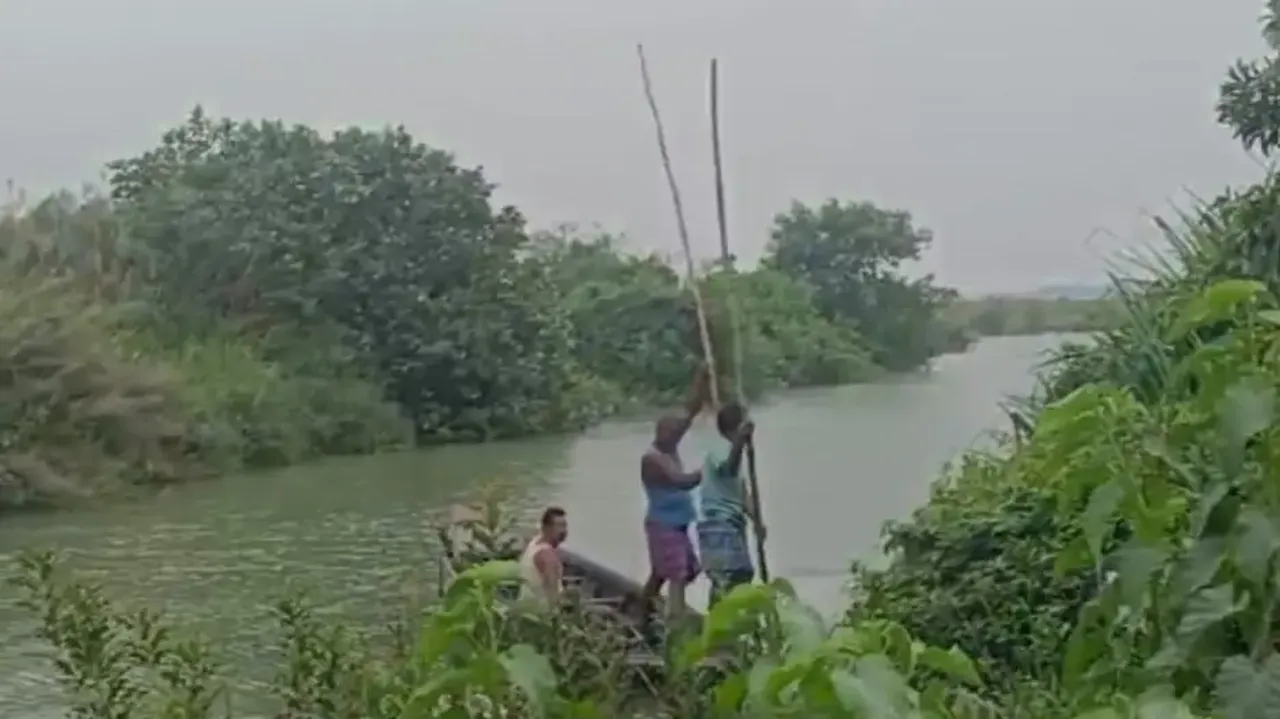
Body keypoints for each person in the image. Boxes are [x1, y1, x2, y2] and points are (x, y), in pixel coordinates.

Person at [639, 364, 712, 631]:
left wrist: (701, 380)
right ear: (660, 434)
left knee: (665, 572)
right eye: (671, 434)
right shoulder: (653, 459)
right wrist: (710, 469)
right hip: (663, 524)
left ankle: (642, 611)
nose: (676, 437)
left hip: (676, 524)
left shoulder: (669, 445)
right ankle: (675, 623)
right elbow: (681, 481)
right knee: (677, 574)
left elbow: (691, 411)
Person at [696, 403, 760, 607]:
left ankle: (732, 625)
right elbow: (729, 468)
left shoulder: (734, 453)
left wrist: (757, 521)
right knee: (725, 578)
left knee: (742, 575)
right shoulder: (719, 449)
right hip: (718, 523)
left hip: (733, 523)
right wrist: (740, 441)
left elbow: (741, 492)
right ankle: (716, 624)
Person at [519, 506, 568, 605]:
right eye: (559, 526)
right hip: (541, 611)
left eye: (564, 525)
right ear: (547, 528)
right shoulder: (547, 556)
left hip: (526, 603)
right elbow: (552, 594)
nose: (563, 531)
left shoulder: (534, 543)